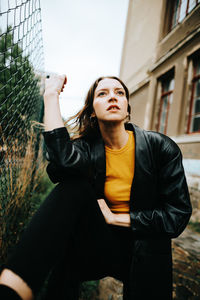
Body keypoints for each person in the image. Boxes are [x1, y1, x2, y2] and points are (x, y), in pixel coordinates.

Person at [0, 75, 192, 300]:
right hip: (101, 243)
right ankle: (13, 288)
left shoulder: (160, 147)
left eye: (119, 93)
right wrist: (51, 94)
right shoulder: (86, 148)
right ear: (92, 111)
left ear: (127, 108)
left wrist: (115, 218)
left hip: (145, 247)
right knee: (73, 187)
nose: (112, 97)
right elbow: (62, 161)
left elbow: (177, 215)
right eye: (103, 94)